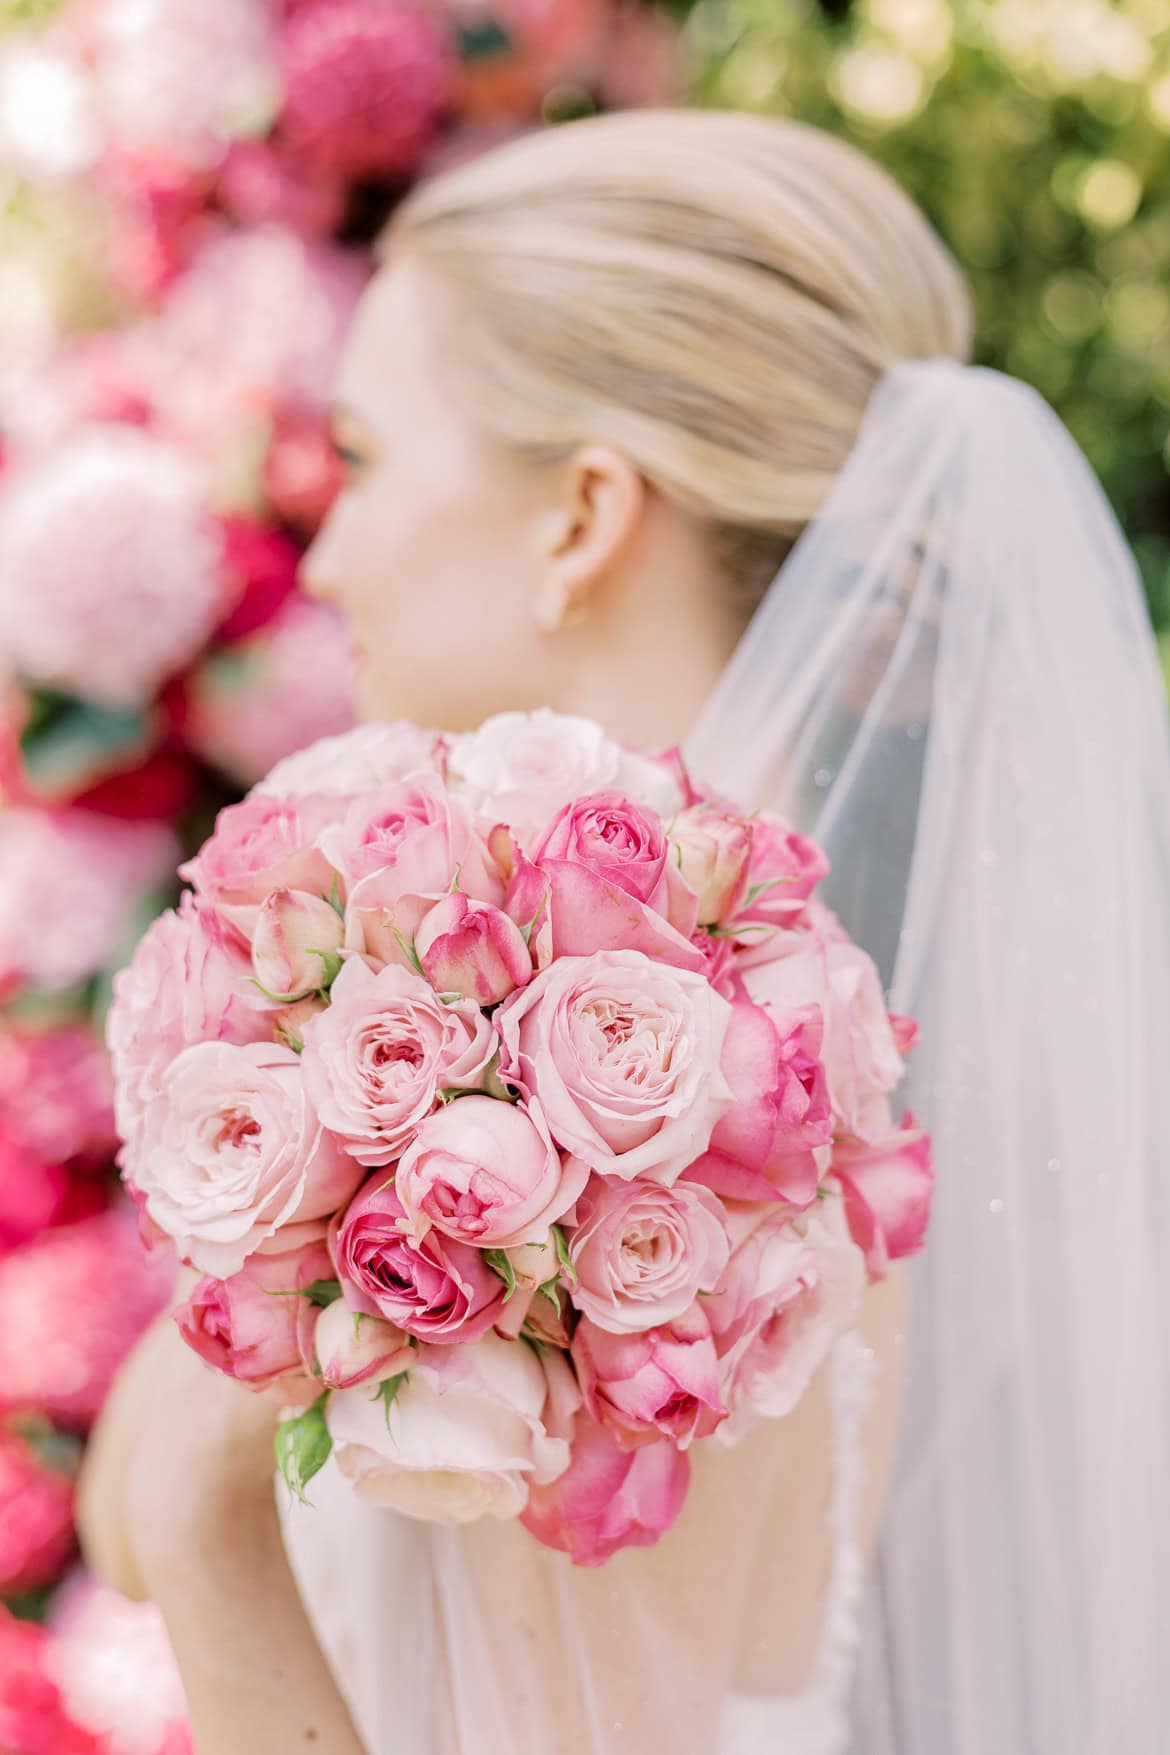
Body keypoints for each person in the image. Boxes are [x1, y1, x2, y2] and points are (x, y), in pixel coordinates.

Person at [78, 106, 1170, 1755]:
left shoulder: (645, 1135)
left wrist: (211, 1532)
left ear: (582, 517)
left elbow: (167, 1517)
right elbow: (121, 1516)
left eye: (366, 462)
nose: (328, 553)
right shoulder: (760, 1039)